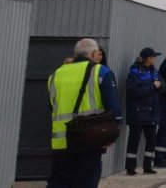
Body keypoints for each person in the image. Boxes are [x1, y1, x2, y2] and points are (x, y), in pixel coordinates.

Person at [46, 37, 123, 188]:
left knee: (59, 183)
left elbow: (51, 106)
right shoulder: (100, 71)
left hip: (61, 142)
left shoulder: (55, 75)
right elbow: (113, 106)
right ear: (93, 53)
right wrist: (112, 134)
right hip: (89, 140)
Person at [125, 47, 163, 175]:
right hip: (137, 112)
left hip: (152, 112)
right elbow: (134, 92)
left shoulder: (154, 71)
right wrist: (153, 86)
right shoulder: (135, 73)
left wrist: (160, 86)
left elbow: (162, 86)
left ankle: (148, 166)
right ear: (148, 58)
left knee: (151, 141)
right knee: (134, 140)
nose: (155, 59)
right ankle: (130, 168)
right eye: (154, 57)